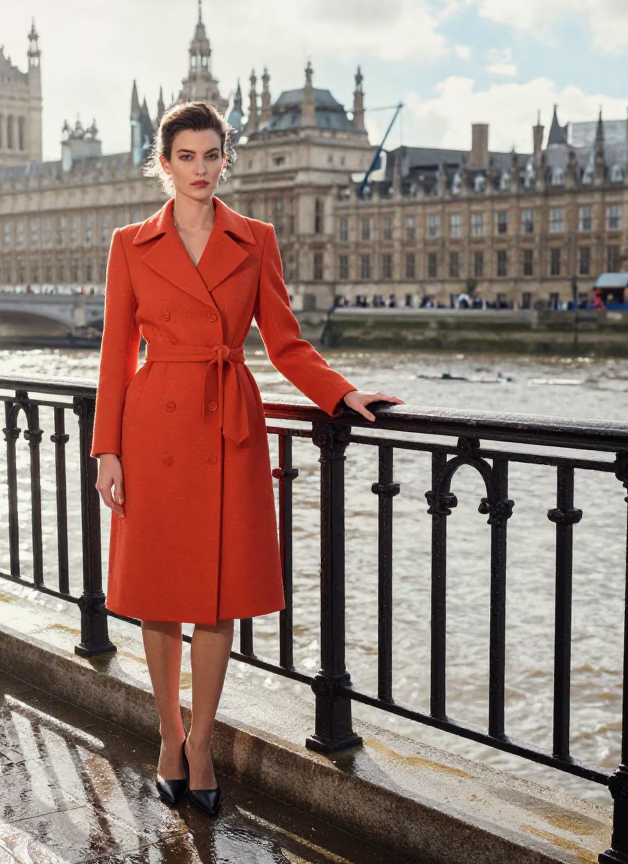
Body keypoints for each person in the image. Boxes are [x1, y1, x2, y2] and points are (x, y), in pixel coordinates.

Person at [90, 101, 404, 817]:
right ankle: (170, 735)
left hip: (228, 428)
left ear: (226, 159)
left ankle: (201, 743)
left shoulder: (255, 238)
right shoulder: (128, 244)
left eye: (212, 155)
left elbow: (285, 343)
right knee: (161, 596)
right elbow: (115, 352)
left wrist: (340, 393)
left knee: (216, 595)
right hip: (154, 428)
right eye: (187, 157)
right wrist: (106, 445)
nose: (201, 169)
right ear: (163, 165)